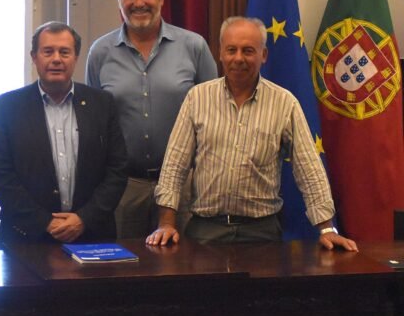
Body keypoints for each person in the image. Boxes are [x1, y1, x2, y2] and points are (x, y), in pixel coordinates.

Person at [148, 16, 357, 251]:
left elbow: (309, 169)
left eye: (248, 51)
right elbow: (175, 165)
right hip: (205, 230)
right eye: (231, 50)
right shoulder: (197, 98)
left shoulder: (284, 102)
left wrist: (327, 228)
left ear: (263, 55)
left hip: (262, 232)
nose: (238, 58)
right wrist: (166, 223)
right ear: (220, 53)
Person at [0, 21, 128, 316]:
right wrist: (45, 223)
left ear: (76, 57)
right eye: (48, 51)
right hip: (26, 238)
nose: (56, 59)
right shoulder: (7, 107)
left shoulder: (102, 104)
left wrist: (84, 218)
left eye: (64, 52)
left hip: (90, 237)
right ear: (34, 57)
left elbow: (117, 169)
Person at [86, 0, 217, 239]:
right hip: (124, 187)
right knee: (124, 272)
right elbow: (93, 125)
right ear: (119, 1)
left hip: (185, 185)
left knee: (185, 272)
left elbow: (214, 116)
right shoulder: (100, 52)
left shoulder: (193, 46)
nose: (139, 2)